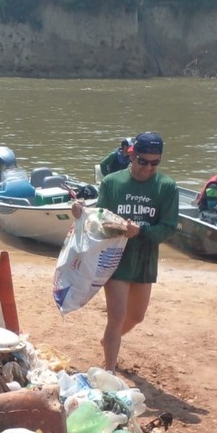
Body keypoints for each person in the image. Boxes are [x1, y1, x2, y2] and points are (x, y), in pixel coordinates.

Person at [71, 131, 179, 374]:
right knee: (117, 316)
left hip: (144, 259)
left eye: (155, 163)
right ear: (132, 156)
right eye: (143, 161)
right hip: (115, 258)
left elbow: (168, 228)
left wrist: (141, 231)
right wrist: (82, 214)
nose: (148, 168)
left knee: (137, 317)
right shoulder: (112, 183)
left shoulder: (167, 187)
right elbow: (99, 221)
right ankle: (109, 369)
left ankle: (109, 340)